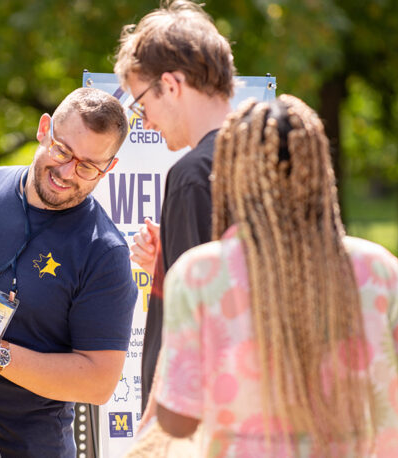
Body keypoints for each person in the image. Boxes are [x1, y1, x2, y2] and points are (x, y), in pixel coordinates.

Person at [131, 95, 398, 457]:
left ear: (229, 174)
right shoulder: (381, 270)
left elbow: (177, 423)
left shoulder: (200, 276)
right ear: (319, 168)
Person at [0, 87, 138, 457]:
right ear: (44, 129)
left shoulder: (104, 252)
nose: (67, 173)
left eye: (87, 167)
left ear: (109, 168)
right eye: (62, 150)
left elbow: (99, 381)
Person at [113, 0, 237, 414]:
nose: (144, 121)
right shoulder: (270, 156)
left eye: (140, 103)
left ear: (171, 84)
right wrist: (165, 267)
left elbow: (192, 327)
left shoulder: (192, 174)